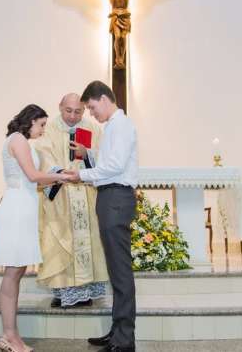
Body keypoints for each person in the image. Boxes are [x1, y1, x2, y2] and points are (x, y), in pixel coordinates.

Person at [65, 81, 139, 352]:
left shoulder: (122, 125)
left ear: (105, 99)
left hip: (116, 199)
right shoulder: (113, 128)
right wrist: (89, 155)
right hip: (110, 197)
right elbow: (110, 162)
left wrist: (80, 174)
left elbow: (116, 166)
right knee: (115, 270)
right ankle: (117, 332)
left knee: (120, 271)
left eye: (92, 108)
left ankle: (124, 340)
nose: (92, 114)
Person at [0, 104, 72, 352]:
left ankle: (11, 335)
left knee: (16, 271)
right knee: (12, 272)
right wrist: (61, 176)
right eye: (42, 125)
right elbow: (33, 176)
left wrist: (53, 176)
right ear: (31, 120)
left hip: (23, 205)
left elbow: (33, 180)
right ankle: (9, 336)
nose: (43, 130)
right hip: (16, 208)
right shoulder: (18, 140)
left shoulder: (20, 141)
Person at [33, 93, 109, 309]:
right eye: (68, 111)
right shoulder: (49, 128)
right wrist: (59, 173)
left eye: (78, 111)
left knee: (87, 244)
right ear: (60, 107)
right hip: (61, 196)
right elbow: (43, 154)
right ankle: (62, 291)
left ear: (84, 110)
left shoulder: (93, 129)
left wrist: (88, 154)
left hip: (86, 195)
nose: (73, 116)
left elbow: (105, 157)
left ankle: (85, 293)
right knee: (59, 245)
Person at [72, 0, 162, 70]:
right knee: (117, 37)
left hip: (125, 15)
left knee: (123, 37)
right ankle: (118, 60)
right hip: (115, 15)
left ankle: (121, 59)